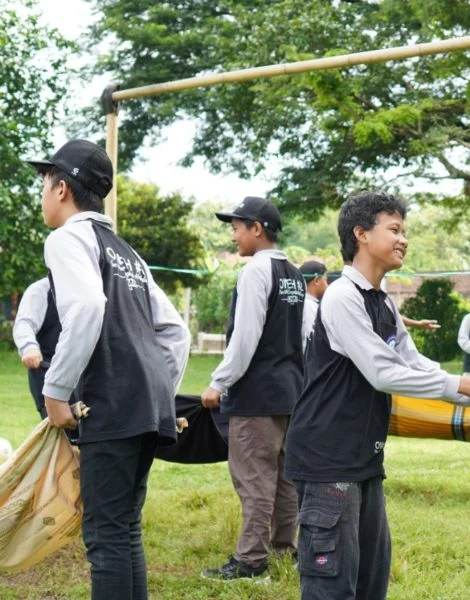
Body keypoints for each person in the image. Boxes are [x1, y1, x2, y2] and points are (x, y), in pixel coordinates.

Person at [284, 191, 470, 600]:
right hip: (327, 459)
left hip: (363, 458)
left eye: (404, 231)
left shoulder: (384, 303)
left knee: (371, 582)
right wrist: (467, 384)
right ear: (361, 234)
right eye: (394, 229)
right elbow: (383, 372)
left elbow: (415, 364)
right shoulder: (343, 296)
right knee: (333, 587)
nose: (403, 240)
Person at [25, 139, 190, 599]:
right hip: (146, 406)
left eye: (44, 183)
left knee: (105, 535)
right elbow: (177, 333)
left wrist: (55, 392)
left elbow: (87, 307)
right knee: (124, 529)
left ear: (61, 189)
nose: (42, 194)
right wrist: (158, 391)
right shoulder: (127, 253)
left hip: (110, 405)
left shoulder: (67, 239)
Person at [200, 196, 306, 581]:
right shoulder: (293, 273)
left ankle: (250, 561)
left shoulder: (256, 272)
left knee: (254, 477)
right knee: (282, 476)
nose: (234, 235)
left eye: (236, 227)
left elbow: (244, 339)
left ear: (256, 229)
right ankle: (283, 548)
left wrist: (218, 383)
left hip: (257, 395)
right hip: (290, 392)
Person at [13, 277, 64, 418]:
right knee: (59, 434)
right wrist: (29, 347)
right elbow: (25, 323)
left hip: (89, 376)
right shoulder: (41, 290)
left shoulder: (90, 288)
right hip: (49, 373)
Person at [299, 260, 329, 352]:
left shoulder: (303, 302)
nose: (327, 285)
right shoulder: (309, 306)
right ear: (317, 280)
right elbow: (312, 339)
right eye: (326, 280)